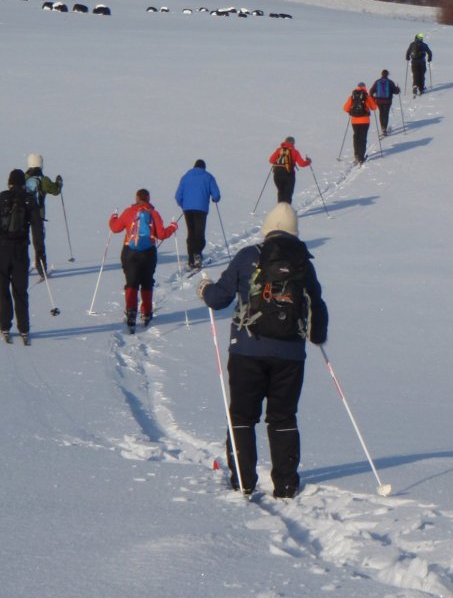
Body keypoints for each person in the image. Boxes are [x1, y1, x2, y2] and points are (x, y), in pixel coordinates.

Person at [197, 203, 328, 498]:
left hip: (247, 350)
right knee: (283, 417)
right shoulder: (303, 264)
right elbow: (317, 306)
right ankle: (285, 484)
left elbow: (220, 298)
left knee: (242, 416)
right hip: (291, 355)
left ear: (267, 229)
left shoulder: (248, 256)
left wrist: (204, 289)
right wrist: (317, 337)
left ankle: (243, 481)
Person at [0, 169, 44, 345]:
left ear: (9, 182)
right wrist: (40, 251)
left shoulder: (0, 198)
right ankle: (24, 328)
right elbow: (37, 228)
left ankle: (4, 325)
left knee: (3, 287)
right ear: (23, 183)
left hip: (1, 249)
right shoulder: (29, 200)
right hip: (20, 250)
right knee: (20, 289)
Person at [108, 189, 178, 329]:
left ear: (136, 198)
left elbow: (115, 228)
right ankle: (146, 312)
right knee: (147, 282)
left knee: (131, 282)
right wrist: (172, 227)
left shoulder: (129, 211)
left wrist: (113, 217)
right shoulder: (153, 213)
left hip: (129, 251)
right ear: (148, 198)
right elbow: (162, 234)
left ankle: (131, 312)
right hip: (148, 253)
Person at [174, 159, 221, 271]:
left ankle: (191, 258)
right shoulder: (208, 177)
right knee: (199, 232)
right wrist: (215, 199)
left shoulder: (185, 177)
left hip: (188, 210)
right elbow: (216, 195)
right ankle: (197, 254)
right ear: (204, 167)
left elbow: (177, 196)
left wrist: (183, 205)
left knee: (191, 232)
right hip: (201, 209)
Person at [24, 152, 63, 275]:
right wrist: (59, 183)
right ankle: (41, 268)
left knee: (23, 240)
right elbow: (55, 191)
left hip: (23, 215)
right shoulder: (44, 180)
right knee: (39, 241)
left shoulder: (23, 178)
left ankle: (23, 265)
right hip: (38, 216)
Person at [268, 136, 311, 204]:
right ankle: (287, 211)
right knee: (288, 194)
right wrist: (308, 162)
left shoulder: (279, 150)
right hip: (289, 174)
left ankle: (280, 210)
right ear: (293, 143)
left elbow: (271, 160)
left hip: (277, 174)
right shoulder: (295, 152)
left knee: (281, 192)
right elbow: (302, 164)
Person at [343, 82, 378, 165]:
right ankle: (361, 157)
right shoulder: (366, 96)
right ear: (364, 87)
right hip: (365, 120)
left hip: (354, 121)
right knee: (363, 138)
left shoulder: (352, 96)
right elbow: (374, 107)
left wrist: (351, 111)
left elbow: (345, 108)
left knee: (356, 137)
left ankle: (356, 155)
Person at [369, 69, 401, 135]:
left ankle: (382, 127)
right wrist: (398, 89)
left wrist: (373, 99)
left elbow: (371, 91)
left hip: (379, 101)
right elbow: (396, 91)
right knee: (386, 114)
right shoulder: (390, 82)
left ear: (381, 74)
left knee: (381, 113)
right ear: (387, 75)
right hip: (387, 101)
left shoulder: (377, 82)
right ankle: (384, 128)